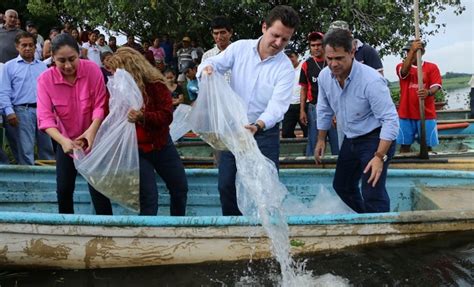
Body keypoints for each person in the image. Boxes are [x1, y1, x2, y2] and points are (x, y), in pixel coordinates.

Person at [198, 5, 300, 216]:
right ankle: (233, 229)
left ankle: (264, 231)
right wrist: (207, 69)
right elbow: (214, 63)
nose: (279, 43)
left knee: (265, 188)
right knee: (226, 184)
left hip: (263, 132)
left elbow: (278, 106)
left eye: (285, 40)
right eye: (275, 35)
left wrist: (258, 125)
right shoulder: (240, 48)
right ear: (264, 27)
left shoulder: (285, 68)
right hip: (234, 130)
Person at [315, 29, 399, 213]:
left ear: (352, 53)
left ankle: (382, 234)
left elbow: (390, 120)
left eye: (339, 58)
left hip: (376, 139)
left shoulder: (371, 81)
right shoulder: (324, 77)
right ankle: (365, 219)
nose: (333, 64)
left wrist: (379, 157)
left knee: (372, 192)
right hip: (351, 137)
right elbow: (323, 108)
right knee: (342, 186)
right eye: (329, 59)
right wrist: (321, 139)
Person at [36, 33, 113, 215]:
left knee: (99, 190)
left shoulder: (93, 70)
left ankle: (107, 232)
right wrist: (63, 141)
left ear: (79, 54)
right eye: (61, 61)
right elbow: (45, 118)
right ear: (52, 58)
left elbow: (100, 105)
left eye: (72, 59)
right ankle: (67, 231)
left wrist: (91, 132)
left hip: (94, 140)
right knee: (63, 190)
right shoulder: (45, 80)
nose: (68, 65)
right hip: (66, 142)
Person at [107, 47, 188, 216]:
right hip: (138, 151)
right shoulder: (119, 89)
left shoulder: (156, 85)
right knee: (149, 198)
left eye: (119, 72)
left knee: (180, 188)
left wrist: (142, 117)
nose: (116, 76)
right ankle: (146, 237)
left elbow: (166, 116)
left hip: (161, 144)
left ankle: (177, 228)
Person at [0, 31, 54, 165]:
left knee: (47, 147)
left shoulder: (42, 67)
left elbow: (49, 91)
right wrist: (9, 112)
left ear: (35, 47)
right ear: (17, 47)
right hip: (21, 111)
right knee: (25, 149)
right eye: (24, 45)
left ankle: (49, 179)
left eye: (31, 45)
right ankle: (28, 183)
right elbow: (4, 91)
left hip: (43, 111)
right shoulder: (9, 66)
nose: (28, 48)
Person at [396, 39, 442, 153]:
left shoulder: (431, 67)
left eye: (413, 51)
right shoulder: (401, 66)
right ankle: (406, 167)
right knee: (404, 146)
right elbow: (403, 73)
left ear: (422, 52)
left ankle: (428, 167)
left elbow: (436, 85)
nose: (409, 53)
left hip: (426, 114)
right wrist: (412, 51)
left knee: (427, 147)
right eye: (407, 51)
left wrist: (428, 92)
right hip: (406, 114)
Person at [299, 31, 338, 155]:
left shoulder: (333, 62)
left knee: (336, 141)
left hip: (333, 108)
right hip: (314, 107)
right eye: (313, 45)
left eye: (319, 44)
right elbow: (304, 88)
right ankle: (313, 170)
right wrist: (302, 110)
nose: (316, 48)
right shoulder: (306, 65)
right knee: (314, 141)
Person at [282, 48, 307, 138]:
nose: (289, 59)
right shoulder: (283, 70)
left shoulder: (304, 66)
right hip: (289, 106)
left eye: (291, 56)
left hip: (303, 105)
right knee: (286, 133)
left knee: (308, 132)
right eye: (287, 57)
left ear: (297, 56)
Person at [202, 16, 233, 83]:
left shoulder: (239, 53)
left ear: (230, 33)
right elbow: (204, 81)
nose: (219, 37)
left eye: (222, 32)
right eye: (216, 33)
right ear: (212, 34)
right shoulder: (207, 56)